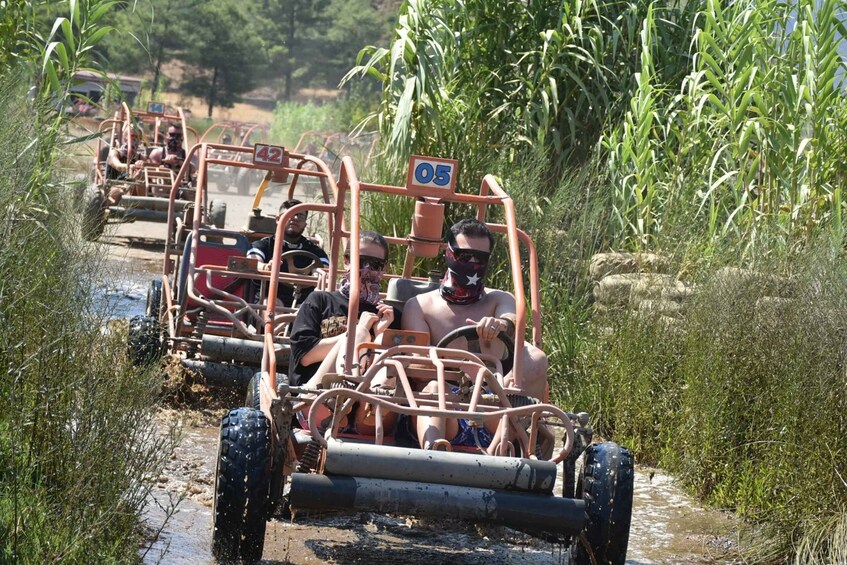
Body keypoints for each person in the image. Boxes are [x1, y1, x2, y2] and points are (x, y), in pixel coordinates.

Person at [401, 218, 549, 451]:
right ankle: (434, 457)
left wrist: (498, 325)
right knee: (433, 389)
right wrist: (463, 369)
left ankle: (503, 452)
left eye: (480, 259)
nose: (472, 263)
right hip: (442, 406)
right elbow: (417, 372)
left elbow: (510, 320)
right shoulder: (419, 306)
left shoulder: (499, 299)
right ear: (448, 254)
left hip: (491, 407)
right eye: (464, 257)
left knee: (536, 358)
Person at [288, 230, 399, 389]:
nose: (367, 270)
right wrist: (357, 333)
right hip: (315, 396)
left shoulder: (389, 315)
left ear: (384, 268)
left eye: (375, 265)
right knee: (359, 334)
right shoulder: (320, 301)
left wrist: (378, 335)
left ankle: (363, 402)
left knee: (388, 348)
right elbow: (305, 357)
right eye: (360, 261)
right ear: (346, 261)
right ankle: (345, 392)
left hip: (366, 405)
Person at [247, 199, 329, 307]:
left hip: (303, 302)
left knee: (313, 309)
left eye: (300, 216)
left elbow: (322, 270)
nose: (294, 218)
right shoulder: (264, 245)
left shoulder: (316, 251)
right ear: (278, 219)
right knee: (273, 304)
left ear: (305, 224)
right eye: (289, 214)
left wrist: (316, 274)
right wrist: (266, 267)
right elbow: (252, 262)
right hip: (269, 297)